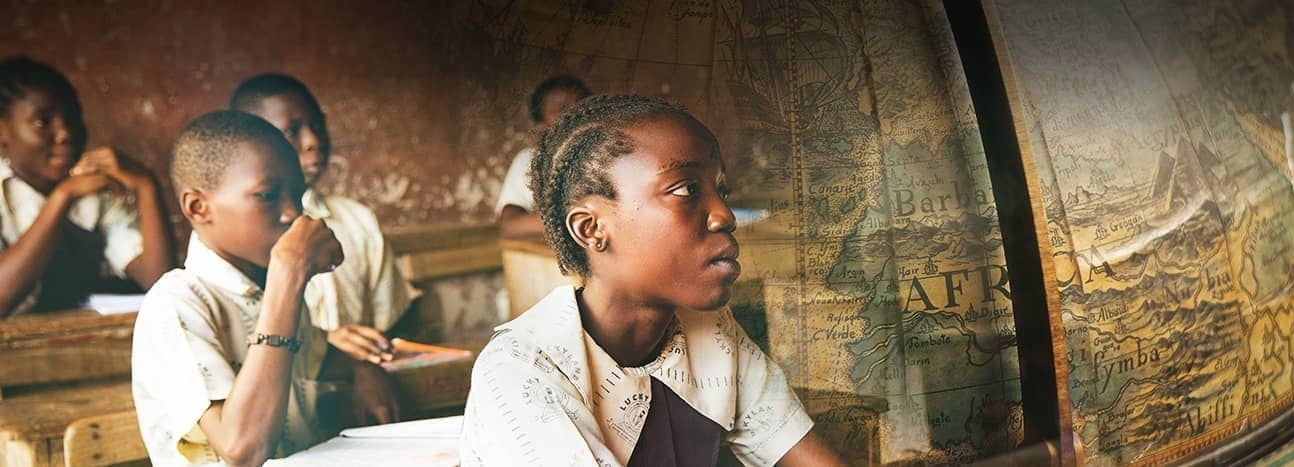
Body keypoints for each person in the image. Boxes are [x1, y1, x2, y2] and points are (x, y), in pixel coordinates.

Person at [460, 95, 844, 466]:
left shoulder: (712, 332)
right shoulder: (523, 369)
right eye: (686, 190)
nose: (724, 215)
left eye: (720, 190)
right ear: (591, 228)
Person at [131, 110, 351, 465]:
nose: (291, 212)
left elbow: (318, 369)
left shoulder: (271, 288)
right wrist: (288, 278)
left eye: (298, 194)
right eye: (266, 195)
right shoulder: (175, 304)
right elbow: (243, 449)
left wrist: (365, 372)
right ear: (198, 207)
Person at [231, 74, 413, 425]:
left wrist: (368, 356)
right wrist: (324, 343)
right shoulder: (244, 236)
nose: (313, 141)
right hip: (279, 409)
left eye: (317, 125)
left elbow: (390, 320)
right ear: (254, 141)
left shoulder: (358, 220)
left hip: (366, 396)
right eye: (292, 131)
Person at [0, 56, 174, 316]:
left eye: (71, 117)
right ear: (3, 131)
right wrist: (62, 197)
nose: (65, 133)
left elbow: (159, 281)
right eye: (42, 121)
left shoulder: (96, 191)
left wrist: (147, 186)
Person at [496, 74, 590, 240]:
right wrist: (580, 221)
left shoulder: (607, 155)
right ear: (540, 126)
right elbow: (510, 226)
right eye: (561, 108)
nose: (574, 114)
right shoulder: (528, 160)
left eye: (581, 106)